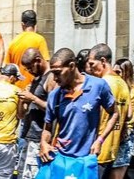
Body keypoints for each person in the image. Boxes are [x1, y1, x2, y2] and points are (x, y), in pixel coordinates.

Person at [39, 48, 117, 179]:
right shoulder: (55, 96)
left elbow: (114, 113)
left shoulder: (98, 85)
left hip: (86, 161)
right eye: (53, 73)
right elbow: (47, 129)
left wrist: (100, 140)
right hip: (60, 160)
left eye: (58, 73)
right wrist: (43, 143)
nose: (55, 78)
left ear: (71, 66)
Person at [86, 44, 130, 178]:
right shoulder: (123, 83)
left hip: (95, 150)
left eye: (92, 64)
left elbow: (93, 114)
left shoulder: (102, 84)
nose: (91, 68)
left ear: (103, 61)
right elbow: (127, 115)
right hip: (112, 149)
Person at [17, 47, 56, 179]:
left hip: (39, 138)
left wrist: (33, 98)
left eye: (29, 68)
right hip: (28, 136)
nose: (28, 71)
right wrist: (23, 101)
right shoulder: (36, 79)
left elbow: (53, 110)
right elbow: (21, 114)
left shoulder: (51, 78)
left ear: (37, 61)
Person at [113, 58, 134, 171]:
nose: (115, 75)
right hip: (112, 132)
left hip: (126, 134)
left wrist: (128, 122)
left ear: (126, 73)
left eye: (118, 72)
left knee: (118, 168)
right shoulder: (113, 87)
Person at [4, 10, 50, 90]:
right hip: (34, 88)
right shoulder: (40, 40)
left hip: (16, 89)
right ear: (35, 24)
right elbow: (46, 65)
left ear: (22, 24)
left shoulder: (13, 42)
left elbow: (7, 67)